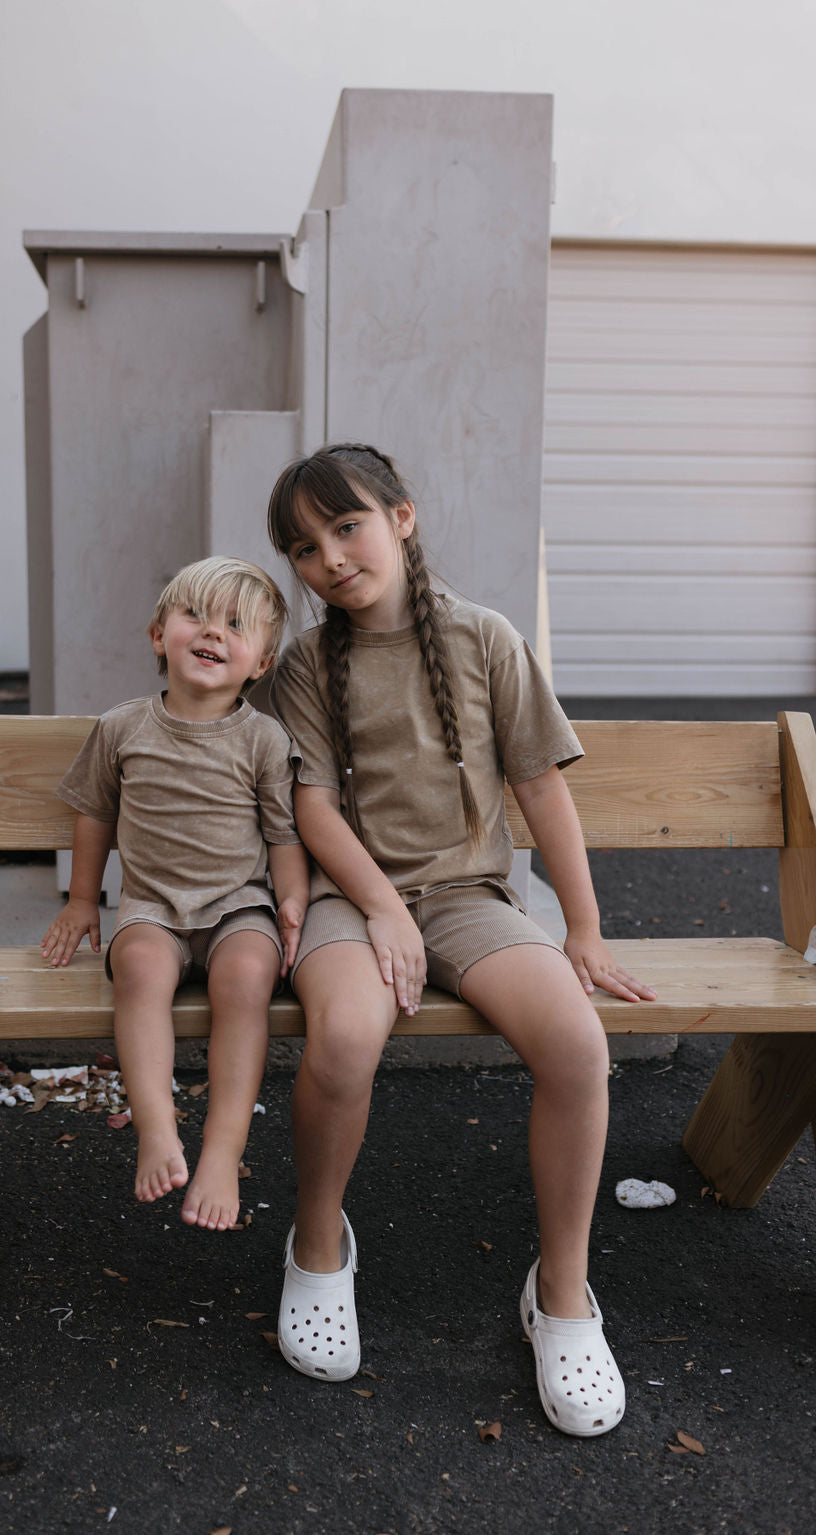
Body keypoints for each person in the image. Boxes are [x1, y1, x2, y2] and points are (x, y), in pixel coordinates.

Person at [266, 443, 655, 1434]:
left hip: (468, 894)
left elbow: (539, 785)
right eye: (303, 548)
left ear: (401, 515)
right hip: (348, 900)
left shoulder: (483, 638)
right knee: (345, 1037)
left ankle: (561, 1294)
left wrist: (582, 922)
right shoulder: (307, 663)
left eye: (344, 526)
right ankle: (318, 1244)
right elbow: (310, 807)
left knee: (576, 1045)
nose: (330, 558)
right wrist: (382, 907)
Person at [41, 556, 309, 1233]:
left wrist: (292, 904)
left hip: (238, 906)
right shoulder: (123, 727)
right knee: (138, 969)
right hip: (152, 907)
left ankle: (222, 1150)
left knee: (248, 975)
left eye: (236, 624)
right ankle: (157, 1128)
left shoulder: (263, 738)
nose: (213, 632)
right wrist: (81, 900)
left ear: (262, 661)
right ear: (159, 634)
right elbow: (94, 814)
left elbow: (283, 836)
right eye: (195, 615)